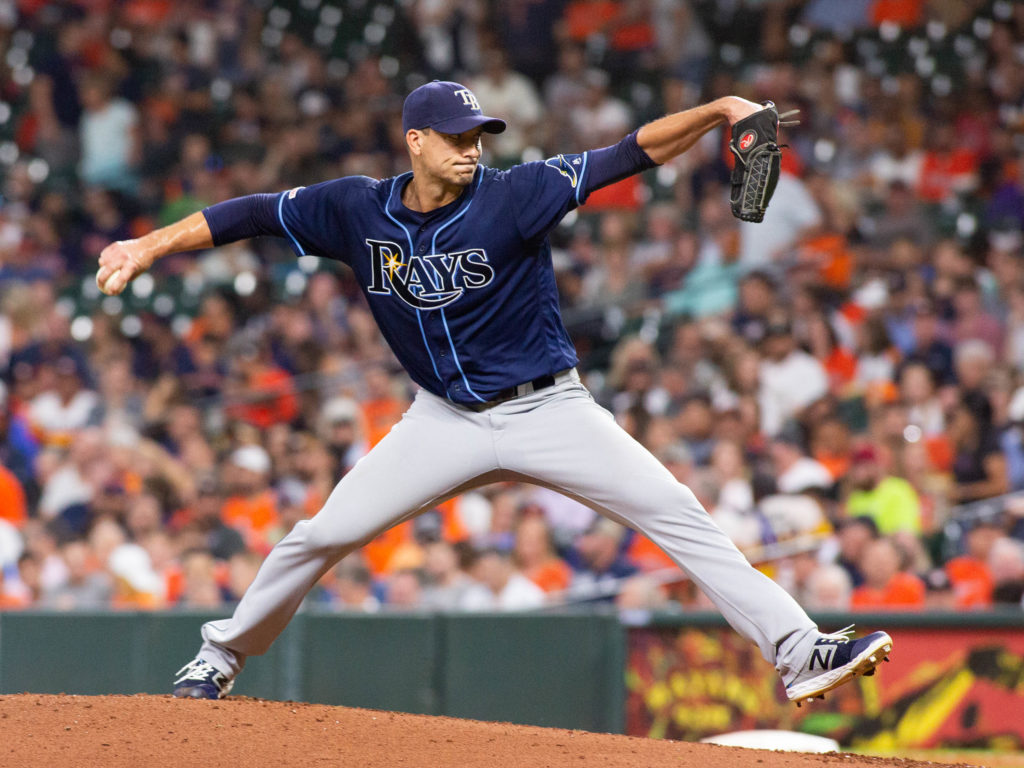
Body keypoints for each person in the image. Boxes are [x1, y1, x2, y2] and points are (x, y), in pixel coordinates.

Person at [96, 80, 892, 705]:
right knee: (321, 533)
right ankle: (221, 655)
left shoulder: (517, 193)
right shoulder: (355, 208)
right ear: (415, 140)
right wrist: (148, 244)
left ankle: (800, 651)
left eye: (478, 135)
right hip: (441, 420)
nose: (472, 148)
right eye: (455, 137)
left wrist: (720, 109)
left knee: (676, 509)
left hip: (549, 409)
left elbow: (630, 153)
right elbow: (249, 215)